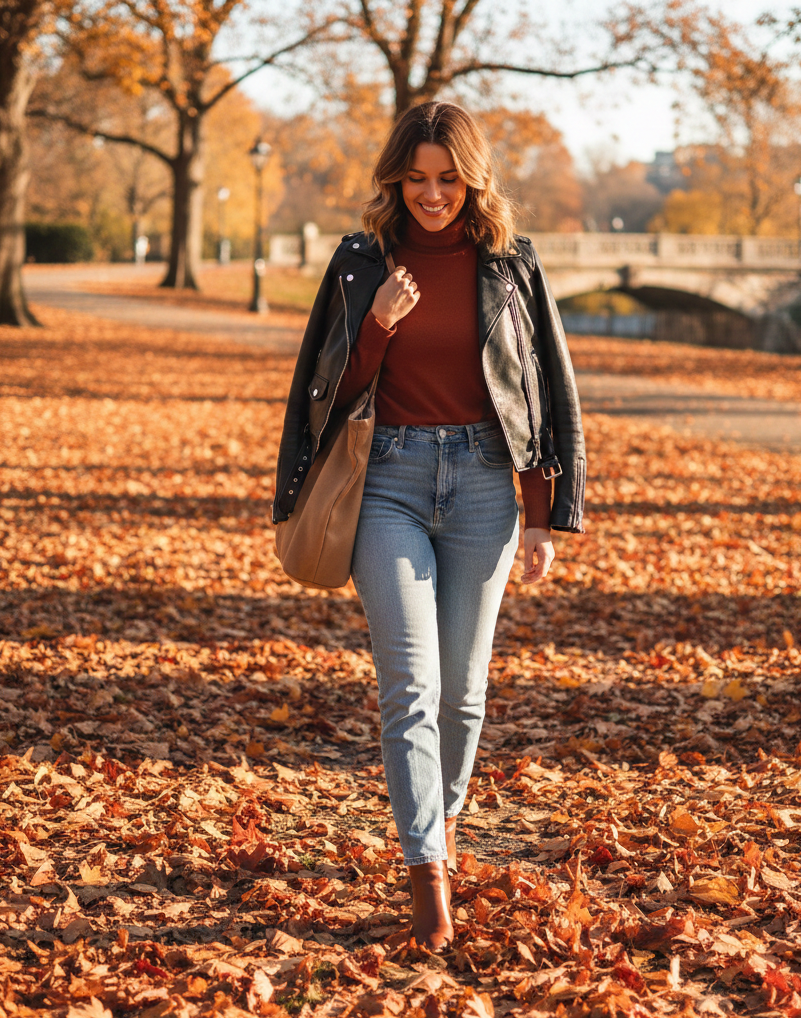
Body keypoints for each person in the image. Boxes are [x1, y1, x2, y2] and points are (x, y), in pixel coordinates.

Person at [273, 101, 586, 953]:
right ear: (395, 179)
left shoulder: (511, 265)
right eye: (416, 179)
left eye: (448, 179)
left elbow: (543, 392)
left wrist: (542, 515)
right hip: (389, 483)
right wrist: (376, 325)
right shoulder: (360, 262)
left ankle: (441, 826)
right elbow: (321, 401)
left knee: (464, 692)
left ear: (471, 179)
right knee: (409, 690)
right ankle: (427, 881)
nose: (432, 195)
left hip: (486, 484)